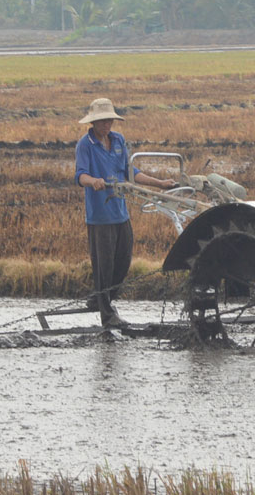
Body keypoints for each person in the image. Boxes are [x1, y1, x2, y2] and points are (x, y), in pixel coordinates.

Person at [74, 97, 178, 328]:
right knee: (104, 266)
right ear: (93, 122)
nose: (106, 125)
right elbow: (80, 175)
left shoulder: (119, 140)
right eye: (102, 121)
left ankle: (101, 300)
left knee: (123, 263)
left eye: (109, 120)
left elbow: (131, 173)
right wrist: (94, 182)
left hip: (120, 212)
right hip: (100, 216)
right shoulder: (85, 144)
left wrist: (159, 184)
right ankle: (107, 316)